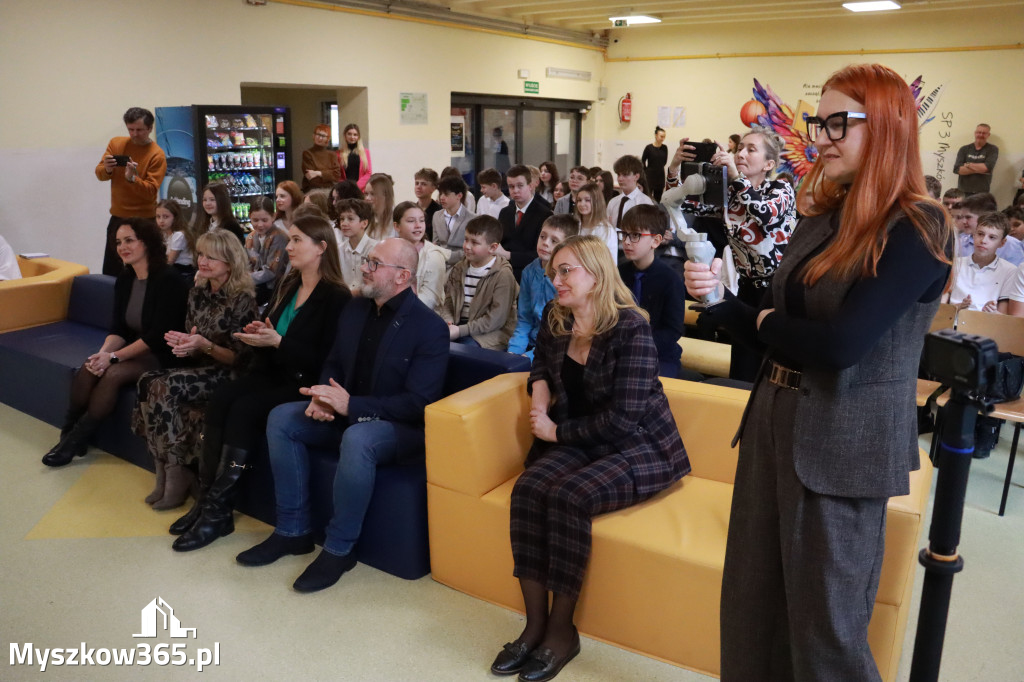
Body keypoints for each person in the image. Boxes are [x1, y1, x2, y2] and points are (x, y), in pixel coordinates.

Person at [683, 63, 953, 680]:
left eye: (838, 123)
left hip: (843, 443)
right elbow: (781, 318)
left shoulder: (918, 224)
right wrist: (724, 302)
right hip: (774, 420)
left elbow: (839, 345)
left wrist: (756, 320)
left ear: (886, 127)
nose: (821, 138)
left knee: (826, 631)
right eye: (818, 122)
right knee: (752, 603)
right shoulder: (827, 214)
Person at [490, 234, 690, 681]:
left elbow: (623, 419)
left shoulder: (630, 327)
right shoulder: (556, 316)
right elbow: (541, 365)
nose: (556, 279)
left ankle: (562, 632)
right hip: (580, 438)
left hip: (638, 444)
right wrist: (539, 397)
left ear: (597, 275)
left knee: (570, 496)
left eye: (567, 270)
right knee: (528, 489)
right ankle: (534, 625)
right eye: (554, 271)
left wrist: (555, 431)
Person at [236, 238, 449, 593]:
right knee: (282, 418)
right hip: (344, 412)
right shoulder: (354, 309)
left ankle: (339, 548)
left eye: (374, 263)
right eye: (367, 260)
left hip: (397, 428)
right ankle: (292, 531)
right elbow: (334, 361)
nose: (364, 268)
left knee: (359, 438)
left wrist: (352, 407)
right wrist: (323, 396)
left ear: (402, 276)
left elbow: (418, 403)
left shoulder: (429, 327)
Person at [170, 213, 350, 551]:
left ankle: (218, 509)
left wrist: (278, 342)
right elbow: (273, 329)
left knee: (245, 409)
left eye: (297, 240)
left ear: (321, 247)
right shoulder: (290, 283)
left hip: (303, 382)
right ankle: (208, 500)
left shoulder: (336, 297)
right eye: (291, 239)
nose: (289, 246)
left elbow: (327, 359)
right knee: (222, 398)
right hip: (272, 371)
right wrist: (259, 333)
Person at [41, 217, 188, 467]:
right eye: (119, 242)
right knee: (89, 368)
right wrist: (102, 355)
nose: (122, 247)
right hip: (135, 347)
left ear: (147, 242)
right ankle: (68, 433)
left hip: (164, 352)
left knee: (113, 374)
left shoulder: (169, 280)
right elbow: (118, 328)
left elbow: (157, 336)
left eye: (129, 240)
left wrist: (113, 358)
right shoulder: (126, 278)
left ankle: (75, 440)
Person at [132, 231, 258, 510]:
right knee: (146, 380)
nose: (203, 261)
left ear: (230, 262)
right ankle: (166, 469)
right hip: (201, 367)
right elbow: (195, 337)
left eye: (212, 257)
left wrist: (204, 346)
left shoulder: (242, 299)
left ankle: (177, 472)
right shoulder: (198, 292)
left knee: (164, 386)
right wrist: (187, 345)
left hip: (229, 373)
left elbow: (242, 359)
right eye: (201, 254)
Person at [667, 126, 798, 381]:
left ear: (769, 164)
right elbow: (681, 204)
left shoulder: (781, 189)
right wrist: (674, 168)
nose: (741, 154)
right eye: (739, 149)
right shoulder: (730, 196)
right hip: (746, 290)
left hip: (779, 292)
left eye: (751, 149)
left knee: (772, 368)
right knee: (742, 371)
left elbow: (764, 214)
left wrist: (735, 177)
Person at [618, 205, 687, 378]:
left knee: (647, 383)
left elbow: (673, 330)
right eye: (624, 234)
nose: (626, 241)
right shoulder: (619, 273)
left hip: (659, 355)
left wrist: (639, 346)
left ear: (656, 241)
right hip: (620, 349)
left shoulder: (671, 279)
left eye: (635, 235)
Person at [96, 107, 167, 276]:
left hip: (144, 220)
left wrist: (133, 179)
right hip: (118, 217)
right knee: (112, 269)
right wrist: (107, 169)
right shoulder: (116, 144)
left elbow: (151, 191)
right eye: (130, 129)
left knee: (142, 269)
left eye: (139, 130)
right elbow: (100, 174)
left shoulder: (156, 155)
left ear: (149, 128)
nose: (134, 134)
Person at [441, 215, 519, 350]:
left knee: (462, 350)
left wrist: (460, 331)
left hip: (490, 333)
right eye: (466, 239)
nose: (467, 246)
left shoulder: (503, 275)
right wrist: (448, 321)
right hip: (460, 326)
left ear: (493, 248)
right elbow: (449, 301)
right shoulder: (459, 268)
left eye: (474, 243)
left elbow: (496, 320)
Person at [508, 214, 578, 359]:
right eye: (542, 237)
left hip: (556, 346)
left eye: (554, 241)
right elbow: (525, 319)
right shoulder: (528, 271)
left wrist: (528, 357)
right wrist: (513, 352)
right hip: (532, 342)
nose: (545, 243)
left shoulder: (568, 278)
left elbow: (561, 331)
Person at [944, 212, 1017, 313]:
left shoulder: (1010, 271)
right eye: (980, 234)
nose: (983, 240)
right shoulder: (955, 264)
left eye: (992, 237)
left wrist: (992, 312)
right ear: (973, 235)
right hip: (953, 319)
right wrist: (958, 307)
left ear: (1002, 243)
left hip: (987, 321)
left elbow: (1003, 315)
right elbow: (941, 306)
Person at [498, 165, 553, 280]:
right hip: (504, 272)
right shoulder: (505, 212)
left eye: (520, 186)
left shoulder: (545, 214)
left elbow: (542, 253)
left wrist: (509, 255)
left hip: (531, 275)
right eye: (511, 186)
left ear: (530, 186)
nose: (515, 190)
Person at [394, 201, 450, 312]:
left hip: (421, 314)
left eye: (422, 220)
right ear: (396, 226)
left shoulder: (433, 255)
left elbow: (430, 299)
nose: (418, 225)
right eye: (411, 221)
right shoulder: (389, 249)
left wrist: (392, 304)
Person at [954, 192, 1024, 266]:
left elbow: (1015, 271)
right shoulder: (960, 241)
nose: (963, 221)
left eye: (968, 217)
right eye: (962, 217)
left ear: (985, 217)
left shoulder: (1012, 246)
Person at [245, 196, 289, 306]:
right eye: (255, 220)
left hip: (274, 288)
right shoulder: (251, 237)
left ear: (273, 216)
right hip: (256, 283)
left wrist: (245, 278)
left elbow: (272, 271)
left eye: (264, 220)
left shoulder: (279, 237)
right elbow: (247, 262)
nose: (260, 225)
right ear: (250, 217)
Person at [335, 198, 377, 296]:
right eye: (342, 219)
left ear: (364, 223)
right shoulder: (338, 250)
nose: (344, 223)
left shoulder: (375, 248)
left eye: (350, 219)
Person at [432, 175, 475, 266]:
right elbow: (435, 244)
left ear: (459, 196)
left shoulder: (472, 218)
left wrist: (448, 257)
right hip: (440, 264)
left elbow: (472, 249)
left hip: (463, 264)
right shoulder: (437, 216)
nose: (441, 197)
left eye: (446, 194)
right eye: (440, 193)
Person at [606, 155, 653, 228]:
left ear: (636, 176)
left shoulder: (644, 202)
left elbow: (648, 229)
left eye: (625, 175)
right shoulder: (613, 202)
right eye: (618, 175)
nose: (620, 179)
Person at [574, 182, 616, 262]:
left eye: (587, 200)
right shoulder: (575, 225)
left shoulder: (606, 230)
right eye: (579, 200)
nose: (582, 204)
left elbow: (610, 262)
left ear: (596, 202)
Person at [155, 199, 196, 279]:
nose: (161, 221)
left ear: (175, 217)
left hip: (183, 273)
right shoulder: (163, 233)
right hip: (173, 270)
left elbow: (169, 262)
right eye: (158, 217)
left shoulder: (179, 235)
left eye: (166, 217)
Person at [954, 123, 998, 195]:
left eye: (984, 133)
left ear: (988, 135)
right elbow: (957, 169)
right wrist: (979, 169)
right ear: (975, 133)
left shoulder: (992, 149)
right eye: (979, 132)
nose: (981, 135)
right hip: (963, 191)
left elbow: (987, 168)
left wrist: (967, 165)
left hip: (982, 191)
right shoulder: (964, 149)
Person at [301, 124, 341, 192]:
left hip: (330, 190)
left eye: (323, 136)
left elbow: (337, 176)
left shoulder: (332, 154)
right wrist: (328, 176)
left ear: (328, 138)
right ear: (313, 135)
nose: (320, 138)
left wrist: (318, 173)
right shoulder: (307, 153)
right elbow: (311, 178)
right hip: (312, 190)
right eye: (318, 134)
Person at [337, 123, 372, 191]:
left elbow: (368, 173)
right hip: (345, 190)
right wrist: (346, 186)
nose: (352, 137)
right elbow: (338, 175)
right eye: (349, 134)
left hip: (360, 190)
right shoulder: (338, 154)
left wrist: (356, 186)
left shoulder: (365, 152)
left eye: (355, 135)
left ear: (358, 137)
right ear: (345, 135)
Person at [364, 173, 396, 240]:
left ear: (385, 195)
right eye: (366, 194)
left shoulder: (396, 218)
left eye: (373, 194)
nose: (367, 198)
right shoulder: (366, 217)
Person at [414, 168, 442, 241]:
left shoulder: (439, 212)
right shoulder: (410, 210)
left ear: (433, 188)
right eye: (417, 183)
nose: (418, 187)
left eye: (424, 184)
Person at [642, 126, 669, 201]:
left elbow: (664, 161)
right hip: (650, 176)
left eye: (664, 137)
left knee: (658, 198)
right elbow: (643, 160)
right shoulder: (649, 148)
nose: (662, 138)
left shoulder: (664, 148)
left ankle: (656, 208)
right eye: (661, 136)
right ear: (656, 135)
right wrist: (646, 171)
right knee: (647, 197)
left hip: (660, 176)